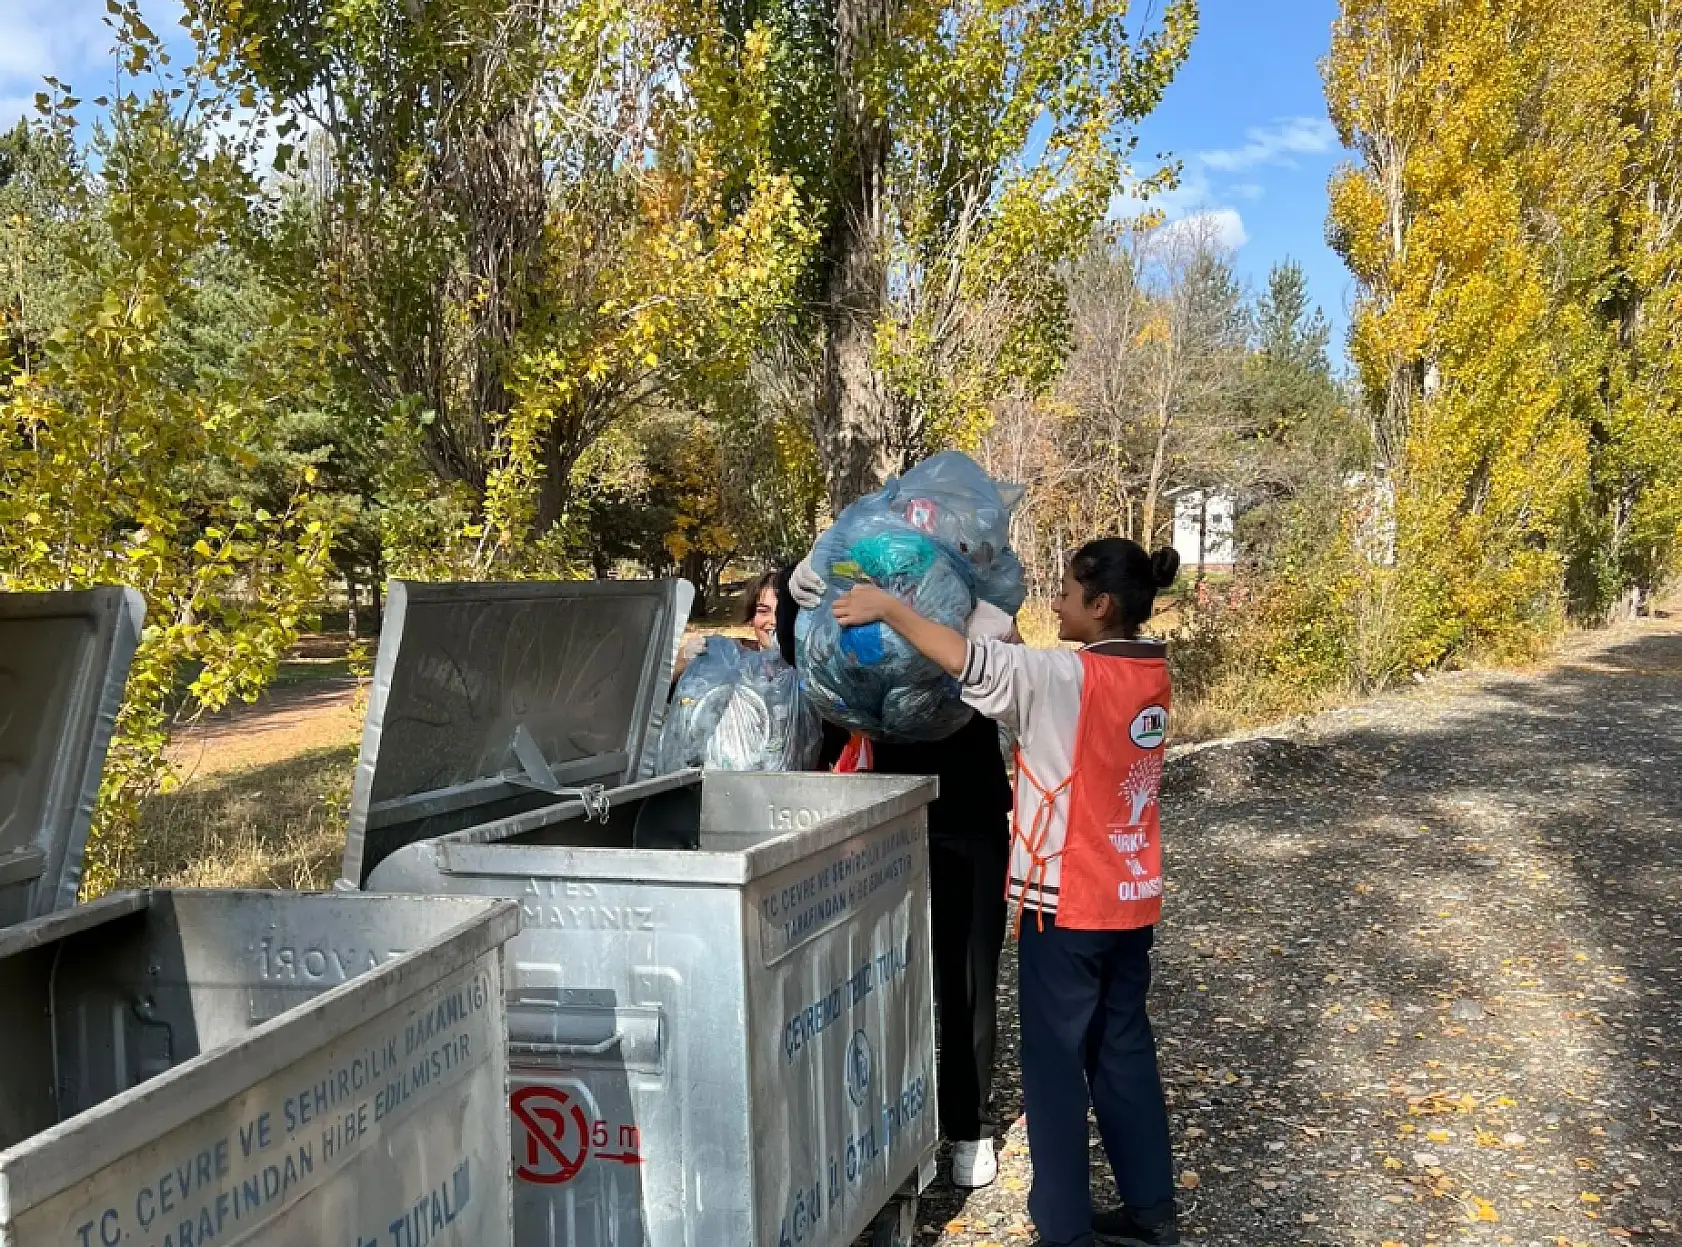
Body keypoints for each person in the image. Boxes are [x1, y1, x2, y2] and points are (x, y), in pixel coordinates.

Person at [830, 538, 1184, 1247]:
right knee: (1122, 1053)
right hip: (1130, 895)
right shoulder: (1149, 675)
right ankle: (1152, 1211)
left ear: (1100, 603)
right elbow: (1045, 695)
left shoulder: (1060, 677)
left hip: (1068, 904)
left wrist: (888, 607)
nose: (1055, 602)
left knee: (1054, 1073)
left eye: (1066, 592)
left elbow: (969, 661)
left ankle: (1062, 1229)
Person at [784, 564, 1014, 1189]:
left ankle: (967, 1127)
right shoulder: (866, 607)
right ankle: (894, 1125)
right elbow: (815, 674)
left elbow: (1003, 680)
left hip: (968, 818)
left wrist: (992, 629)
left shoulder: (973, 610)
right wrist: (792, 598)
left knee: (966, 981)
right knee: (884, 977)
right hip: (888, 818)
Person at [673, 569, 781, 682]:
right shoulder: (734, 653)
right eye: (763, 611)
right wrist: (684, 657)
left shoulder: (800, 663)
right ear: (752, 617)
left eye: (783, 612)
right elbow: (663, 679)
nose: (774, 621)